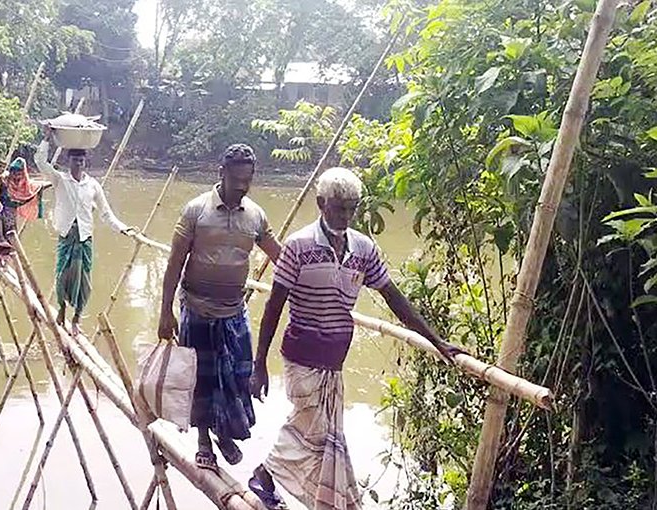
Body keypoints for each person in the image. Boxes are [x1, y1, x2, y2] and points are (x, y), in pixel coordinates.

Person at [248, 167, 461, 510]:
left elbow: (394, 298)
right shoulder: (298, 246)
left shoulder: (363, 248)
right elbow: (273, 307)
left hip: (335, 360)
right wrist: (258, 364)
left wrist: (437, 341)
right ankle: (266, 475)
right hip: (302, 355)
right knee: (310, 426)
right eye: (339, 207)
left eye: (352, 208)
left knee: (321, 434)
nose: (346, 215)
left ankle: (303, 491)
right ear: (321, 203)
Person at [157, 143, 282, 472]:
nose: (242, 186)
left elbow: (279, 255)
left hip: (233, 311)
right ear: (221, 174)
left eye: (247, 180)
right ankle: (203, 440)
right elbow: (174, 264)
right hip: (197, 308)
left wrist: (308, 275)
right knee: (201, 379)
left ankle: (223, 434)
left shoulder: (255, 215)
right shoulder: (196, 211)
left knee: (238, 377)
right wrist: (165, 311)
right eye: (237, 178)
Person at [33, 127, 135, 336]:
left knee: (84, 281)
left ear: (85, 162)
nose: (78, 163)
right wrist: (46, 138)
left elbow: (106, 213)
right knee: (62, 276)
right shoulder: (60, 179)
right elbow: (41, 162)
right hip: (66, 235)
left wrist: (123, 228)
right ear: (69, 161)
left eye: (81, 160)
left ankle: (76, 318)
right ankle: (61, 309)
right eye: (75, 160)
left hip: (85, 238)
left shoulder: (93, 185)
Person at [0, 157, 49, 264]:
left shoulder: (25, 185)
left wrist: (52, 183)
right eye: (14, 171)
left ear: (24, 172)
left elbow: (36, 187)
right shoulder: (5, 178)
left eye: (19, 172)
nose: (16, 175)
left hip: (11, 216)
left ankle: (5, 261)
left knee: (10, 236)